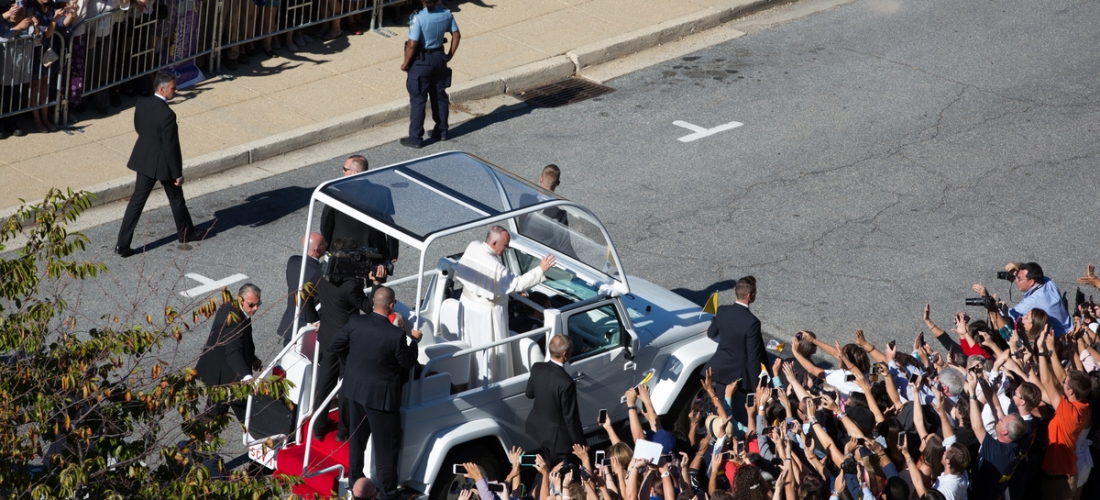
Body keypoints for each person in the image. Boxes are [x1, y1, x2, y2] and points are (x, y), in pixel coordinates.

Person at [329, 286, 422, 495]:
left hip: (354, 390)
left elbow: (336, 345)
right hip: (381, 399)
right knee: (386, 448)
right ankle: (388, 491)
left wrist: (351, 366)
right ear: (391, 306)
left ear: (372, 302)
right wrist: (414, 341)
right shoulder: (396, 335)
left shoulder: (356, 322)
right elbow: (407, 362)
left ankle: (355, 483)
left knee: (357, 441)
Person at [455, 225, 554, 387]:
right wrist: (540, 269)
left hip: (468, 307)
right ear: (494, 243)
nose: (506, 249)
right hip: (487, 315)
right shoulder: (494, 266)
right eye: (505, 245)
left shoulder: (473, 246)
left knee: (472, 348)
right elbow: (517, 283)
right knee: (490, 353)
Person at [115, 71, 196, 257]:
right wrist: (177, 174)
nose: (176, 90)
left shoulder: (142, 103)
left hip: (144, 159)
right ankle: (186, 233)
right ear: (162, 88)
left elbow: (139, 127)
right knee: (176, 197)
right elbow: (171, 147)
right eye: (173, 88)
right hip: (162, 164)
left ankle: (122, 244)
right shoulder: (168, 114)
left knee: (136, 202)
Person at [311, 238, 372, 442]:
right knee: (346, 385)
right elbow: (368, 306)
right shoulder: (349, 285)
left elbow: (305, 294)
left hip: (328, 336)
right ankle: (343, 430)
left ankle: (318, 427)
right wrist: (374, 283)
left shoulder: (321, 272)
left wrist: (314, 319)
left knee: (325, 382)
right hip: (346, 342)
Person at [319, 155, 398, 276]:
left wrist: (327, 246)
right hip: (375, 249)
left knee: (345, 283)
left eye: (345, 169)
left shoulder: (336, 192)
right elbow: (390, 223)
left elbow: (326, 224)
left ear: (354, 172)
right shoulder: (382, 192)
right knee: (375, 284)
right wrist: (392, 251)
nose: (342, 171)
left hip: (343, 249)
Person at [194, 283, 263, 421]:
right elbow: (234, 351)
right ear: (240, 300)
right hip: (227, 377)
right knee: (250, 417)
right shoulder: (234, 321)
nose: (255, 308)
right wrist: (247, 377)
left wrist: (252, 358)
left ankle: (200, 440)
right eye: (251, 305)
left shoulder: (229, 306)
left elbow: (236, 343)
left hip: (219, 372)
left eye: (258, 304)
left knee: (213, 415)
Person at [703, 276, 768, 422]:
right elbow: (753, 357)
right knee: (728, 412)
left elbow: (711, 333)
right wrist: (755, 386)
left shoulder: (722, 311)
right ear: (750, 296)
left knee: (719, 404)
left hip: (720, 366)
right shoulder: (752, 322)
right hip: (737, 373)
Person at [399, 0, 459, 148]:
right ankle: (442, 130)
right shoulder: (446, 14)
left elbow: (412, 44)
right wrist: (449, 54)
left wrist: (405, 63)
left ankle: (416, 138)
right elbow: (456, 35)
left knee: (418, 99)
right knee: (439, 96)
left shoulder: (418, 18)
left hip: (421, 61)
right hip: (439, 58)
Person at [524, 334, 583, 468]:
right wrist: (581, 445)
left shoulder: (537, 367)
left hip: (538, 431)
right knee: (560, 473)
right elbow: (571, 419)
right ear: (564, 353)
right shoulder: (567, 383)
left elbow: (529, 394)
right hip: (558, 441)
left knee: (547, 465)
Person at [276, 232, 326, 346]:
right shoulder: (320, 273)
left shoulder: (293, 261)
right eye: (324, 243)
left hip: (291, 323)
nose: (327, 245)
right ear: (317, 250)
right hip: (308, 327)